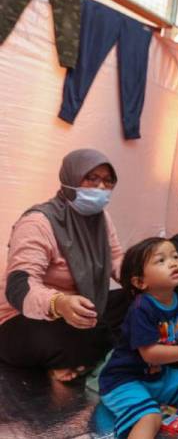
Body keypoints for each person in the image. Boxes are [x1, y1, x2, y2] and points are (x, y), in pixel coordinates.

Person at [0, 148, 127, 382]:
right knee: (79, 337)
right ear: (70, 177)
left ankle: (75, 362)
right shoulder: (38, 222)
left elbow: (116, 259)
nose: (101, 188)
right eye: (92, 178)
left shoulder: (102, 218)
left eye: (108, 181)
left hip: (80, 306)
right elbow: (20, 286)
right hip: (25, 317)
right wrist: (59, 303)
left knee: (136, 303)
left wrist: (144, 275)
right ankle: (88, 355)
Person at [99, 237, 178, 439]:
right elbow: (151, 355)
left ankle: (146, 399)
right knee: (150, 418)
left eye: (176, 257)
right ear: (140, 282)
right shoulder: (141, 308)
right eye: (161, 261)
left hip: (156, 376)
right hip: (123, 380)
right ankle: (144, 406)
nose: (173, 263)